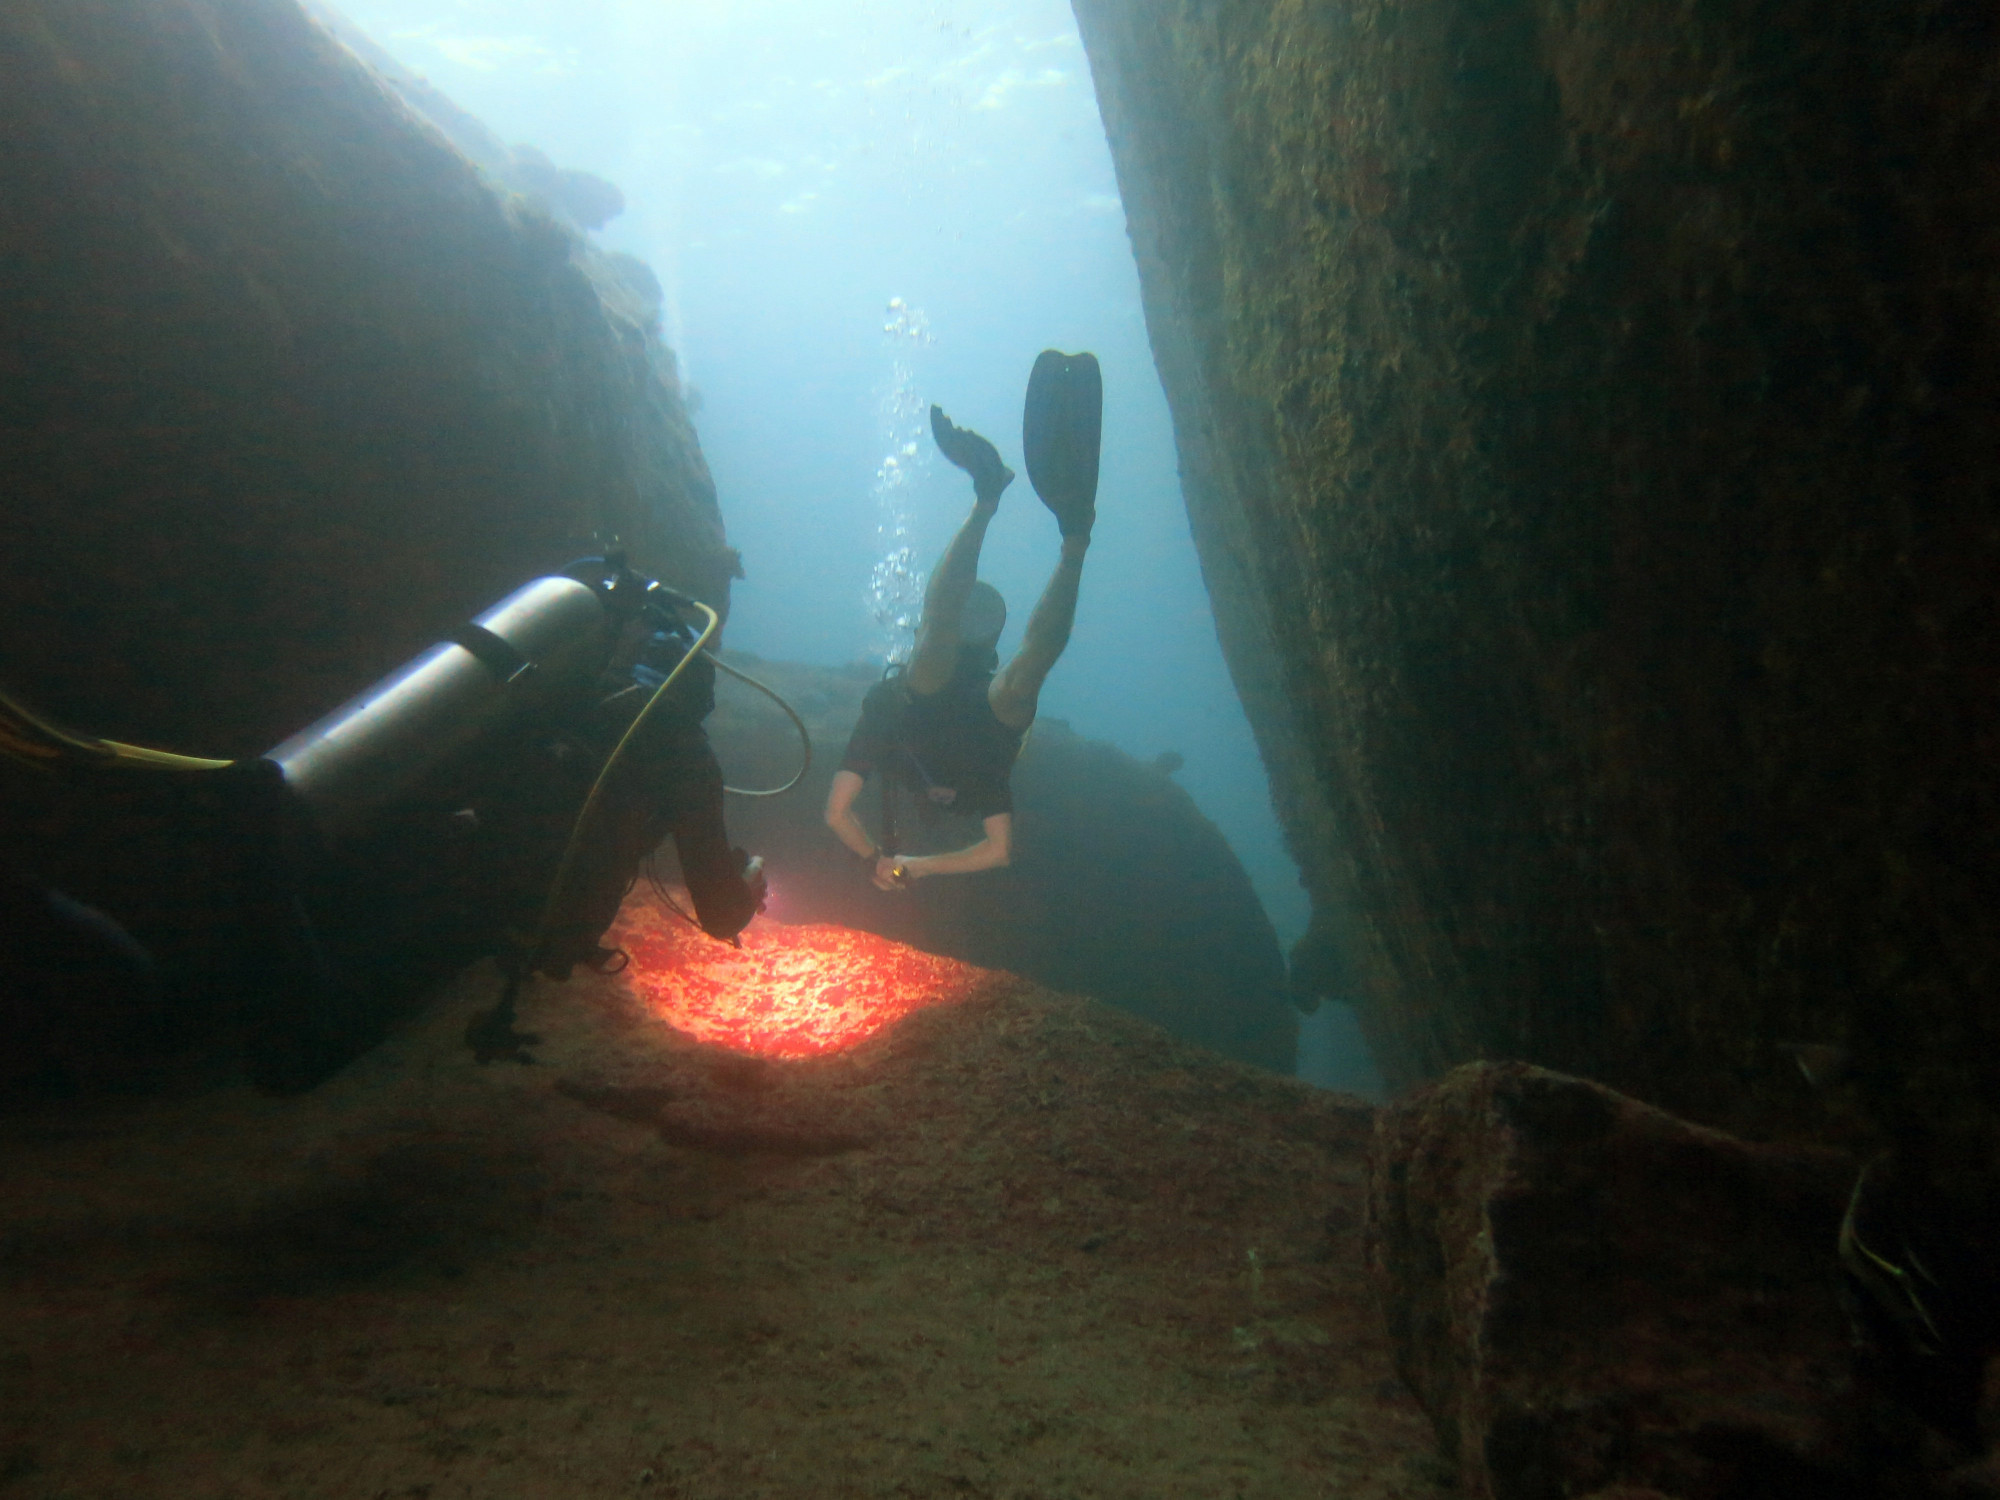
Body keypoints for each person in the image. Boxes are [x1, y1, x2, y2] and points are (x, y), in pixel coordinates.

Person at [826, 350, 1101, 891]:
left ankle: (1010, 508)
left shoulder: (883, 736)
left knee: (947, 653)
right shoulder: (981, 785)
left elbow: (836, 814)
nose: (941, 799)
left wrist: (877, 861)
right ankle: (1062, 532)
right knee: (1014, 672)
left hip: (932, 700)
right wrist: (912, 866)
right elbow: (998, 852)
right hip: (981, 719)